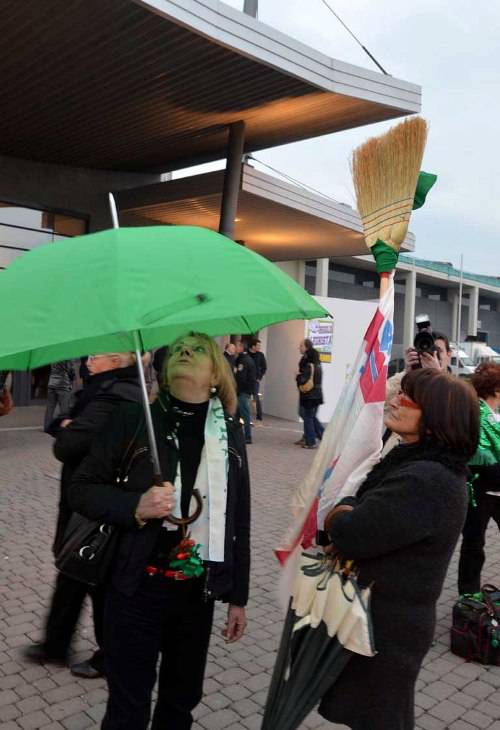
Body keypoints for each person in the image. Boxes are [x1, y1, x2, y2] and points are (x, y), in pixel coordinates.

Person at [69, 332, 250, 730]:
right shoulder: (134, 420)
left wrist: (238, 597)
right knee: (128, 706)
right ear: (164, 370)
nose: (186, 351)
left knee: (180, 702)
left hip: (195, 590)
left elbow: (240, 517)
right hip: (135, 587)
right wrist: (134, 505)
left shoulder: (229, 433)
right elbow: (80, 489)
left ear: (217, 374)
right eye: (180, 348)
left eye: (199, 348)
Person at [318, 368, 479, 730]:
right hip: (380, 617)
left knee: (381, 717)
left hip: (388, 627)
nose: (394, 400)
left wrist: (340, 508)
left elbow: (349, 532)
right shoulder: (416, 462)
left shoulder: (428, 478)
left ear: (437, 417)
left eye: (407, 397)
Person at [23, 352, 142, 677]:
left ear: (117, 360)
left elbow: (66, 446)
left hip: (92, 504)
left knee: (91, 575)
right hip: (92, 502)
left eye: (98, 356)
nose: (88, 361)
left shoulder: (111, 395)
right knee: (77, 573)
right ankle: (56, 645)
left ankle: (105, 655)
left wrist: (68, 427)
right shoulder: (114, 391)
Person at [458, 362, 500, 595]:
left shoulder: (495, 414)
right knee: (474, 545)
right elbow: (478, 455)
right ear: (495, 389)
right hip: (479, 491)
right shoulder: (478, 414)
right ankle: (469, 596)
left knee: (474, 545)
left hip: (494, 489)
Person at [296, 338, 324, 449]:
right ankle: (312, 436)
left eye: (301, 346)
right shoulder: (316, 363)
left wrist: (297, 376)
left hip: (309, 395)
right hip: (315, 394)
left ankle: (312, 439)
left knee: (308, 416)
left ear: (307, 347)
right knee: (309, 416)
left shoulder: (309, 364)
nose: (299, 348)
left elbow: (303, 379)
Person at [235, 339, 256, 444]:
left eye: (238, 346)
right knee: (238, 414)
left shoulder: (243, 360)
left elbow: (241, 377)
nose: (236, 348)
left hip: (243, 391)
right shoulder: (246, 359)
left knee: (244, 415)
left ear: (242, 347)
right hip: (245, 391)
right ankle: (238, 435)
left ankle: (248, 436)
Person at [44, 360, 76, 432]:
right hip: (63, 385)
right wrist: (72, 377)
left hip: (51, 383)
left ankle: (46, 427)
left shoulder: (53, 356)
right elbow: (70, 370)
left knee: (50, 407)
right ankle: (64, 427)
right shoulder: (66, 356)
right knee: (64, 408)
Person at [249, 338, 267, 422]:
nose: (259, 347)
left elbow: (264, 367)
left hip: (256, 380)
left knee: (256, 397)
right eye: (258, 345)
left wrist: (259, 378)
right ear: (253, 346)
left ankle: (259, 416)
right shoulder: (246, 354)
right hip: (246, 380)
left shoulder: (260, 355)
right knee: (244, 397)